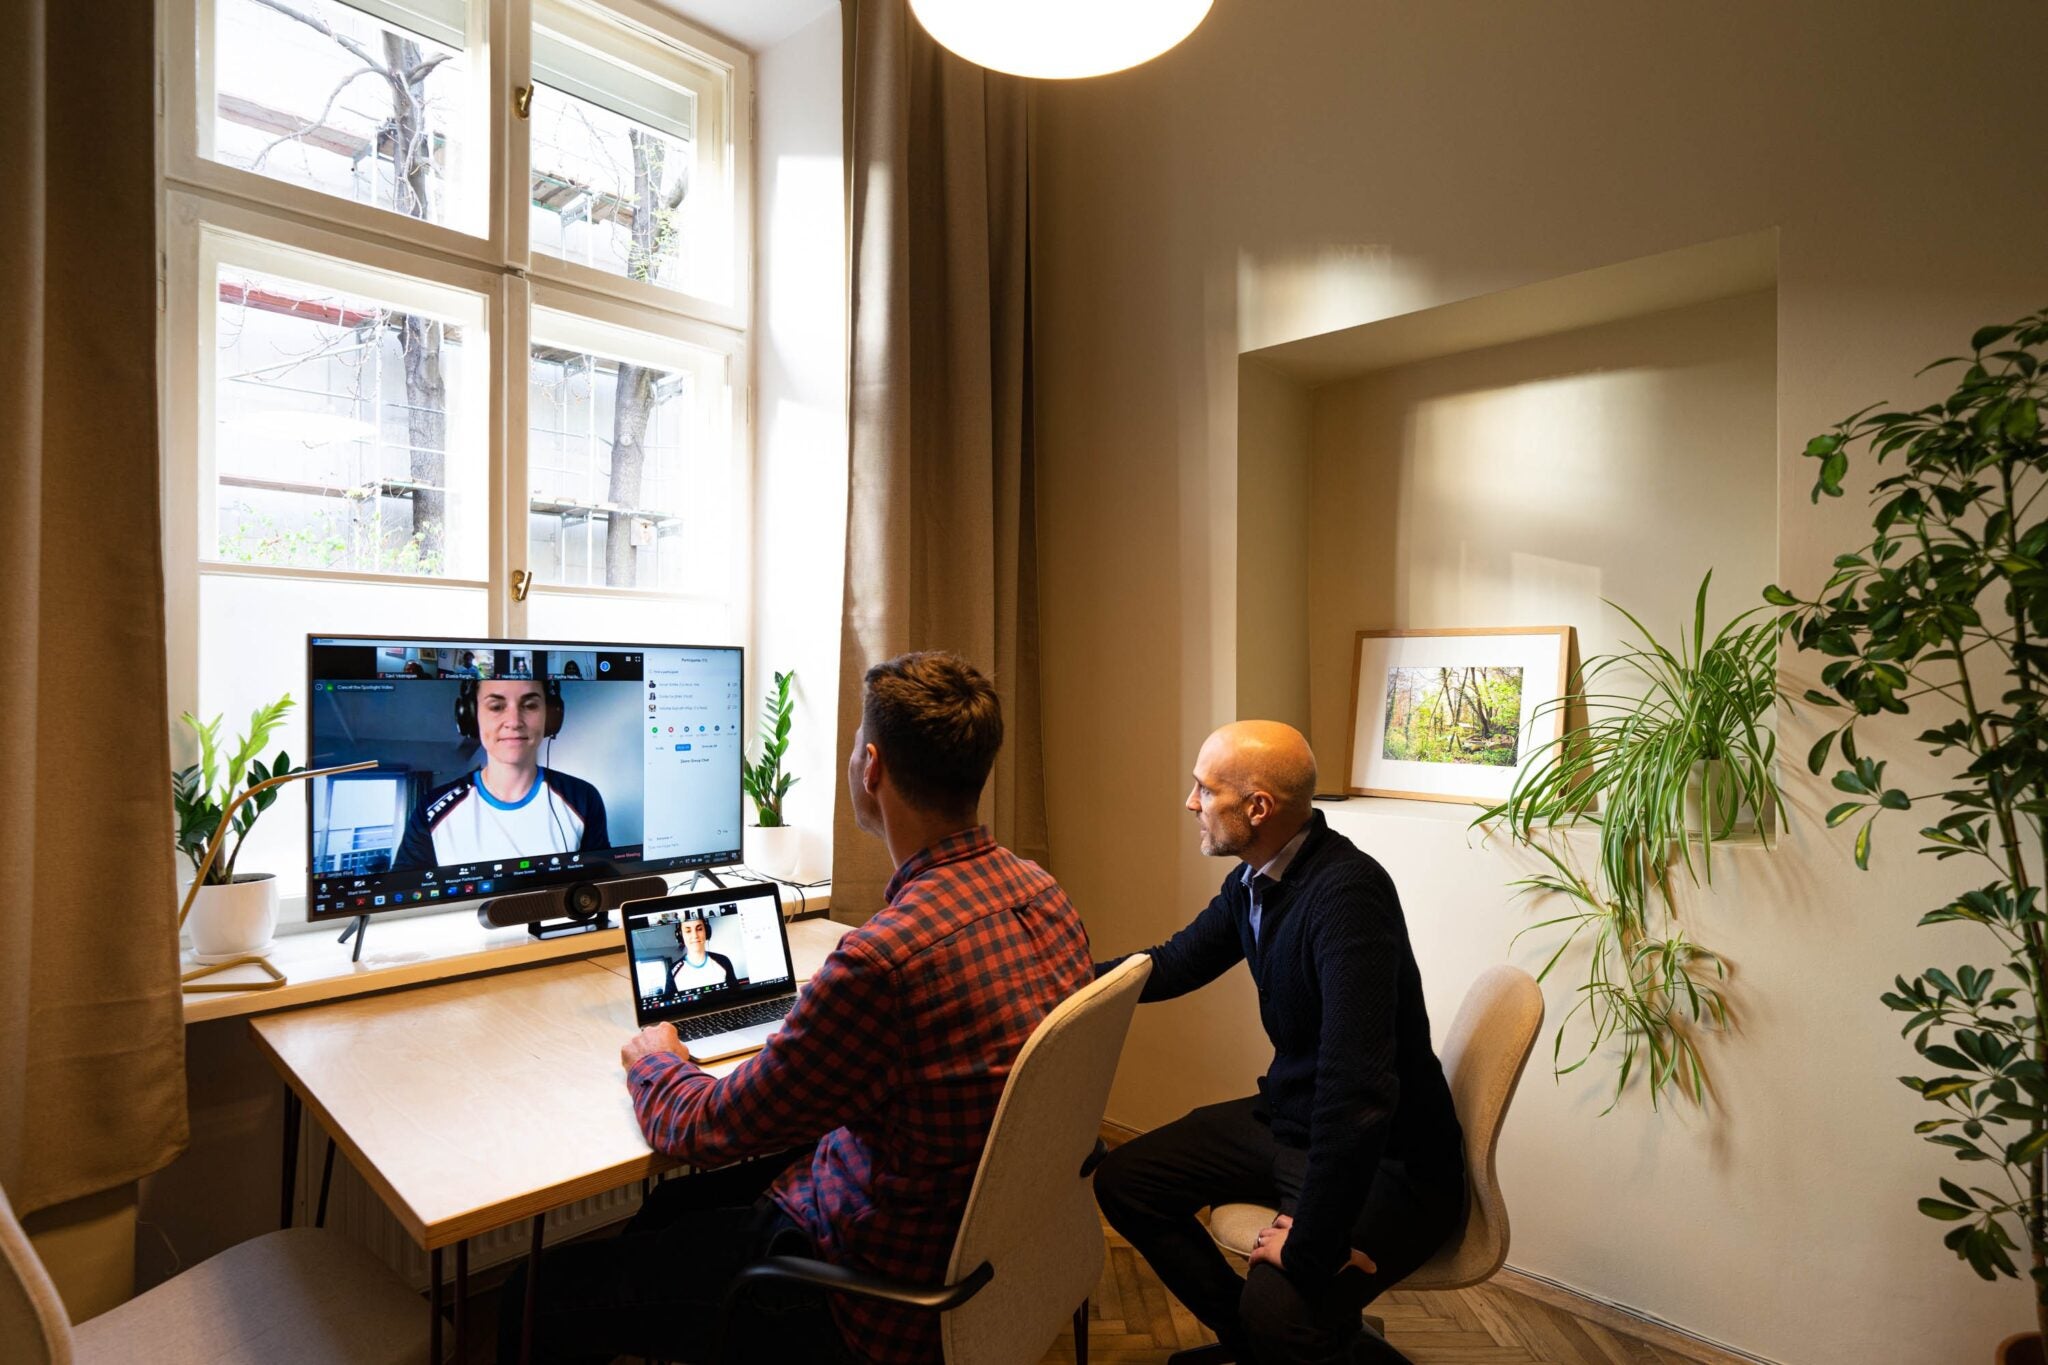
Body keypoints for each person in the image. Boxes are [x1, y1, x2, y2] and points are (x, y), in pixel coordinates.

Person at [498, 651, 1092, 1365]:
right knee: (664, 1212)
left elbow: (708, 1125)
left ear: (870, 767)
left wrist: (656, 1062)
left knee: (532, 1295)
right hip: (982, 1248)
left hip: (864, 1294)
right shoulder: (1042, 892)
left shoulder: (882, 961)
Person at [1091, 721, 1465, 1365]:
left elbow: (1360, 1095)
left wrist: (1313, 1242)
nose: (1191, 804)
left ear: (1257, 807)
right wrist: (1051, 979)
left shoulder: (1347, 896)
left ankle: (1283, 1339)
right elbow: (1174, 962)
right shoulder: (1254, 881)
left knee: (1281, 1313)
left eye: (1204, 790)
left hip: (1388, 1159)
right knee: (1128, 1180)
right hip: (1293, 1120)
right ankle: (1253, 1346)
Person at [393, 679, 608, 870]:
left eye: (530, 705)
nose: (514, 722)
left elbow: (599, 890)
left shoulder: (584, 797)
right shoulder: (430, 811)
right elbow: (406, 904)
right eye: (496, 706)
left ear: (550, 716)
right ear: (470, 716)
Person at [663, 915, 736, 993]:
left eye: (699, 929)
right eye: (688, 931)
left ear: (706, 932)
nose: (695, 936)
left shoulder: (723, 961)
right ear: (680, 936)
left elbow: (736, 994)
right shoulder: (673, 971)